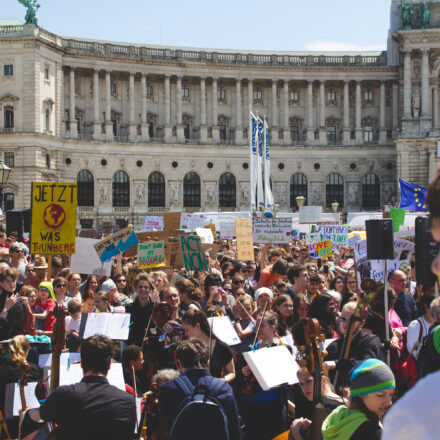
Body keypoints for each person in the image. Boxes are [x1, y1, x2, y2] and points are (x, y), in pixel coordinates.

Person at [23, 335, 137, 440]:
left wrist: (26, 414)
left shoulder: (63, 394)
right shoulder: (128, 401)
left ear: (81, 363)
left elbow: (40, 415)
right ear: (109, 365)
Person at [159, 338, 241, 440]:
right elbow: (234, 430)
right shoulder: (224, 388)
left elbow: (164, 427)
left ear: (179, 363)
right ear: (207, 362)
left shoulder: (168, 388)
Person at [321, 359, 395, 440]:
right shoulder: (372, 433)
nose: (389, 402)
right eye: (381, 395)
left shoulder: (339, 417)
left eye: (390, 394)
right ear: (361, 395)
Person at [323, 301, 382, 389]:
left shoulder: (371, 340)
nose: (345, 324)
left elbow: (367, 364)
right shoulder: (333, 346)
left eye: (350, 320)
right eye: (342, 319)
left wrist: (337, 364)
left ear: (362, 323)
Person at [0, 335, 43, 435]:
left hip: (10, 420)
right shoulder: (36, 370)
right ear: (27, 350)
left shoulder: (2, 370)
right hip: (33, 419)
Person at [289, 367, 347, 439]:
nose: (305, 388)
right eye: (301, 384)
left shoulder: (321, 407)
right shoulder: (345, 400)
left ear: (323, 380)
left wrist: (296, 432)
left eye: (309, 381)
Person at [182, 308, 235, 383]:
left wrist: (218, 382)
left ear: (197, 326)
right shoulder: (188, 347)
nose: (185, 334)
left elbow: (231, 372)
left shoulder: (221, 347)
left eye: (187, 330)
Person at [125, 272, 154, 346]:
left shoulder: (155, 308)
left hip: (151, 347)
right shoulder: (128, 308)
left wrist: (151, 338)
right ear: (135, 289)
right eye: (140, 287)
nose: (143, 289)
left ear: (150, 289)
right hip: (133, 346)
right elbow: (127, 328)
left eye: (146, 287)